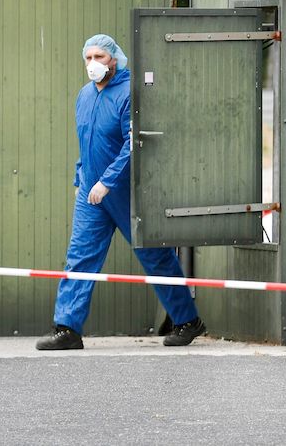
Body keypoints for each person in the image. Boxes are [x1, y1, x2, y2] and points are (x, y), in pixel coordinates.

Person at [36, 34, 206, 350]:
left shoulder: (129, 93)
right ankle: (67, 328)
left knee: (155, 256)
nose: (92, 64)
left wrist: (107, 182)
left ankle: (187, 320)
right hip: (92, 193)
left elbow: (134, 145)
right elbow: (86, 143)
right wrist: (81, 179)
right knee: (80, 256)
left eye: (99, 57)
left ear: (115, 59)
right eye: (88, 58)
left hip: (126, 191)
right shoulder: (84, 96)